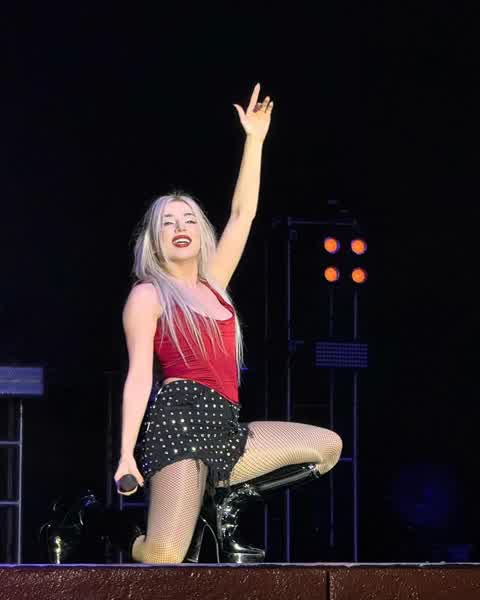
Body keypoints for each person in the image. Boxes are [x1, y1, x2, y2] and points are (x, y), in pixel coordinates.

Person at [113, 83, 343, 564]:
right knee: (164, 555)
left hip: (226, 424)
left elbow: (243, 214)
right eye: (168, 222)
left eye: (188, 220)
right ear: (155, 239)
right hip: (179, 424)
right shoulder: (148, 295)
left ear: (201, 233)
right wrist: (126, 454)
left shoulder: (214, 284)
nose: (180, 228)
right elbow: (138, 378)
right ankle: (107, 526)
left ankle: (226, 501)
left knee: (327, 447)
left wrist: (254, 139)